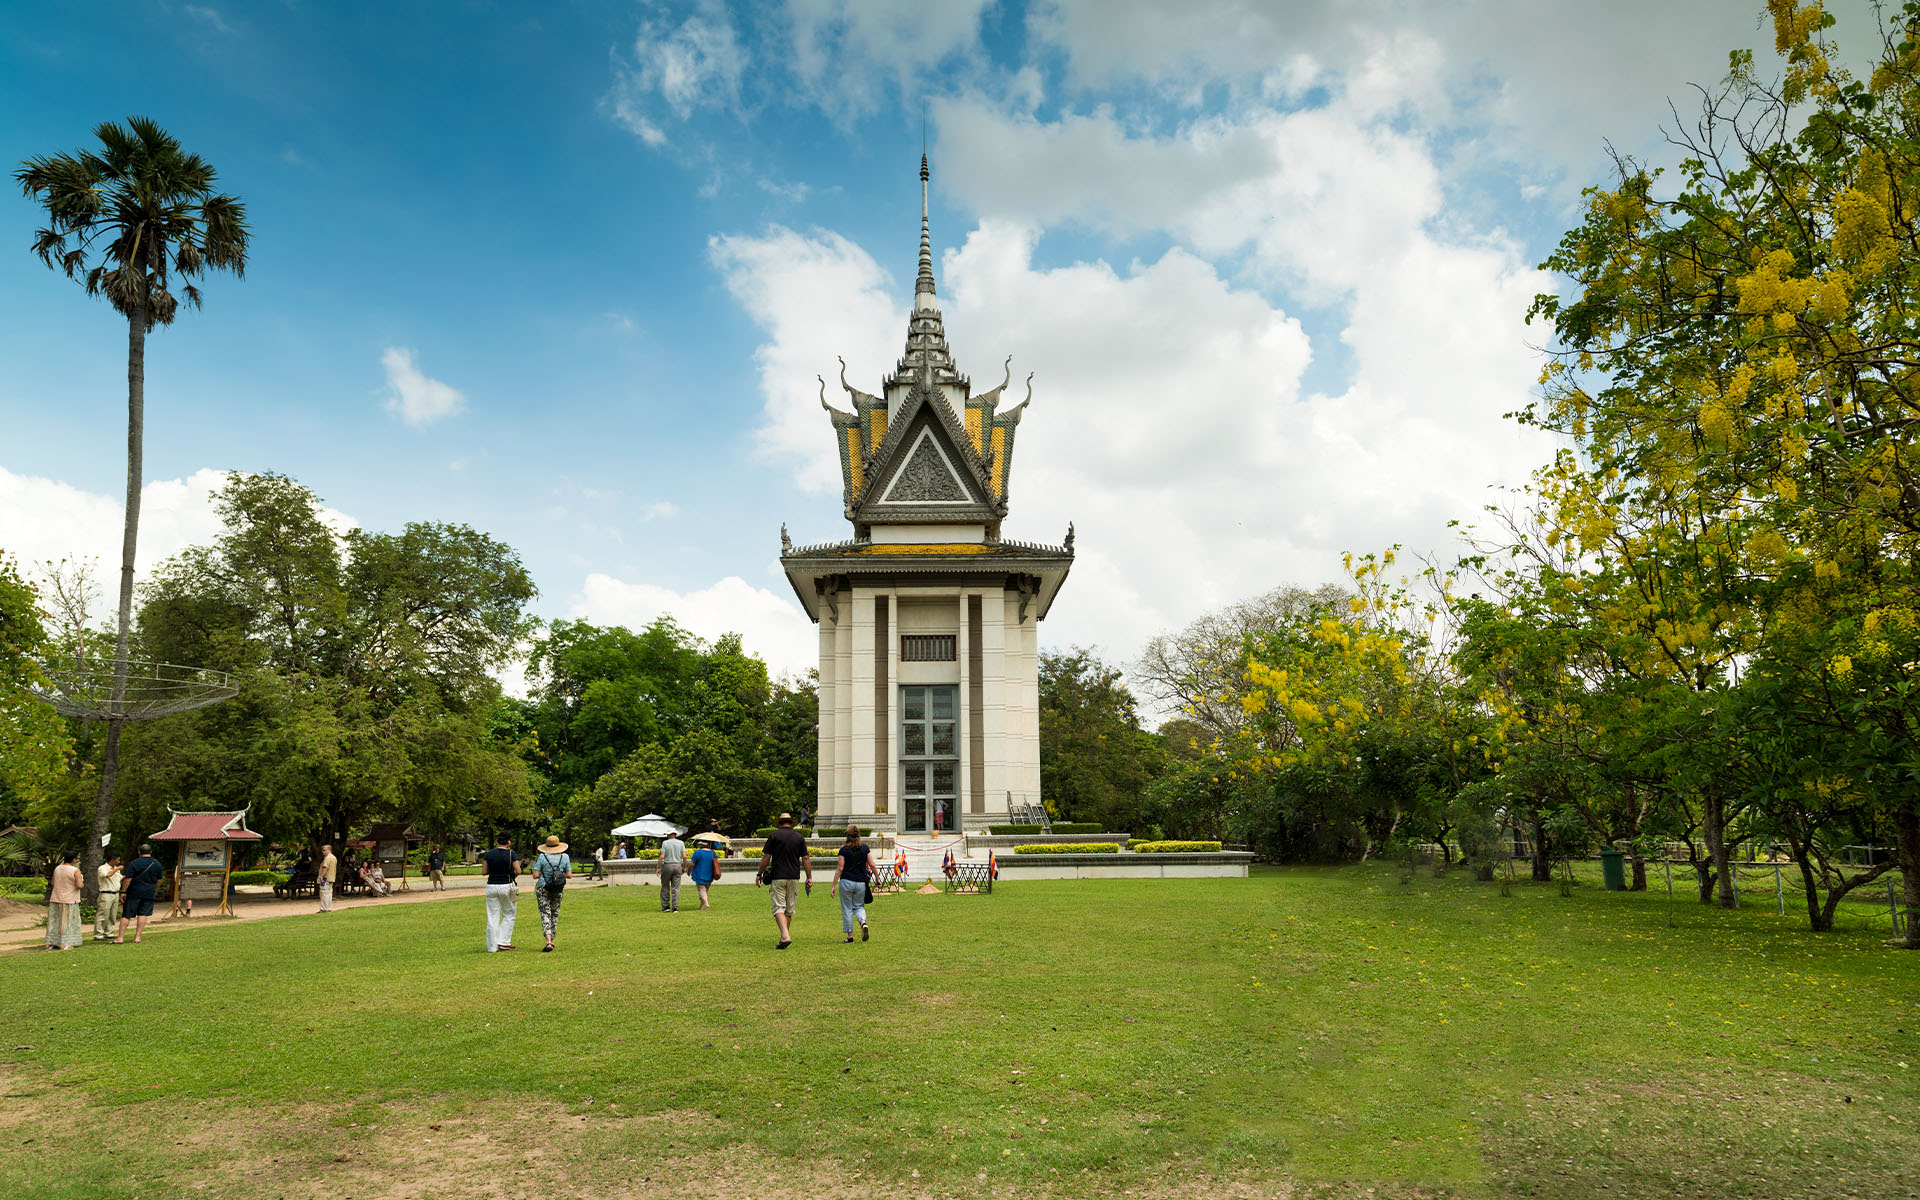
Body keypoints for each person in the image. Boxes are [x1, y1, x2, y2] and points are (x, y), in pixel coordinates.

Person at [756, 812, 811, 949]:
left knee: (778, 907)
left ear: (780, 823)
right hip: (794, 877)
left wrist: (759, 874)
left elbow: (766, 857)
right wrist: (809, 877)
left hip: (778, 876)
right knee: (789, 908)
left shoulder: (774, 836)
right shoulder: (799, 837)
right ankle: (784, 936)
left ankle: (785, 936)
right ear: (791, 823)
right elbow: (805, 859)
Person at [832, 826, 872, 944]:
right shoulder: (865, 848)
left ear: (847, 836)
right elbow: (872, 864)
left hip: (847, 881)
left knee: (847, 908)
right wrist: (878, 878)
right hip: (861, 882)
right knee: (859, 906)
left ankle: (850, 936)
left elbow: (840, 869)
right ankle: (863, 922)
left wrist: (833, 885)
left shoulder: (844, 850)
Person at [117, 844, 164, 943]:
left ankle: (120, 938)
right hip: (149, 892)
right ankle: (137, 937)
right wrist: (155, 889)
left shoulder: (134, 863)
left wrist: (123, 891)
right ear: (151, 852)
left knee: (126, 914)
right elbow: (159, 880)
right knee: (143, 914)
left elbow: (128, 879)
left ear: (139, 852)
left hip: (134, 891)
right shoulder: (157, 864)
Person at [531, 835, 571, 952]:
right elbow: (569, 875)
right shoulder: (565, 857)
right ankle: (552, 940)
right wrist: (558, 876)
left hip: (543, 887)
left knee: (545, 913)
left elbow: (535, 875)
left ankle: (548, 941)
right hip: (558, 888)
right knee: (555, 913)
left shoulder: (542, 857)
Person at [482, 833, 520, 952]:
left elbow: (484, 871)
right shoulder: (511, 854)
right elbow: (518, 870)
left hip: (491, 886)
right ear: (508, 842)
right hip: (506, 885)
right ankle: (503, 941)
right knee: (509, 913)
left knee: (492, 916)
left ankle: (492, 946)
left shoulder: (489, 854)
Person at [45, 851, 83, 950]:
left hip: (56, 898)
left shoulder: (57, 868)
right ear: (74, 859)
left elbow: (53, 882)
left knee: (54, 921)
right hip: (69, 899)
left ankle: (50, 942)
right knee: (66, 922)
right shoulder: (75, 870)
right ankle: (64, 943)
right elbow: (79, 885)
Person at [94, 853, 123, 942]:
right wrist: (117, 868)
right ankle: (98, 934)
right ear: (112, 860)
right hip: (106, 893)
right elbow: (107, 875)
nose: (119, 862)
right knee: (103, 914)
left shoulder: (116, 870)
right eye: (118, 860)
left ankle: (109, 932)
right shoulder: (102, 868)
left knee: (112, 914)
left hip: (115, 894)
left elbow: (119, 878)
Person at [658, 830, 686, 913]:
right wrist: (684, 867)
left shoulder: (665, 843)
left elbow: (662, 856)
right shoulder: (681, 843)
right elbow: (684, 857)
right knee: (676, 888)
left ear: (669, 834)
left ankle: (666, 907)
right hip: (677, 865)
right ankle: (675, 907)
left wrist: (658, 867)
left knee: (665, 886)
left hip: (667, 865)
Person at [688, 837, 719, 910]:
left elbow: (692, 864)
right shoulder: (712, 852)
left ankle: (707, 904)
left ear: (700, 845)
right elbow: (716, 862)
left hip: (699, 874)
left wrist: (688, 871)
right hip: (709, 874)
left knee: (702, 890)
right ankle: (701, 907)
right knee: (705, 891)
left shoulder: (698, 852)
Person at [317, 843, 338, 913]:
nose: (322, 851)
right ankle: (328, 908)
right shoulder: (334, 857)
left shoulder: (327, 858)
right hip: (331, 878)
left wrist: (321, 876)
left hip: (325, 878)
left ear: (328, 850)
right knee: (329, 893)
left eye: (324, 850)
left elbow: (325, 867)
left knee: (324, 893)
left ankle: (324, 909)